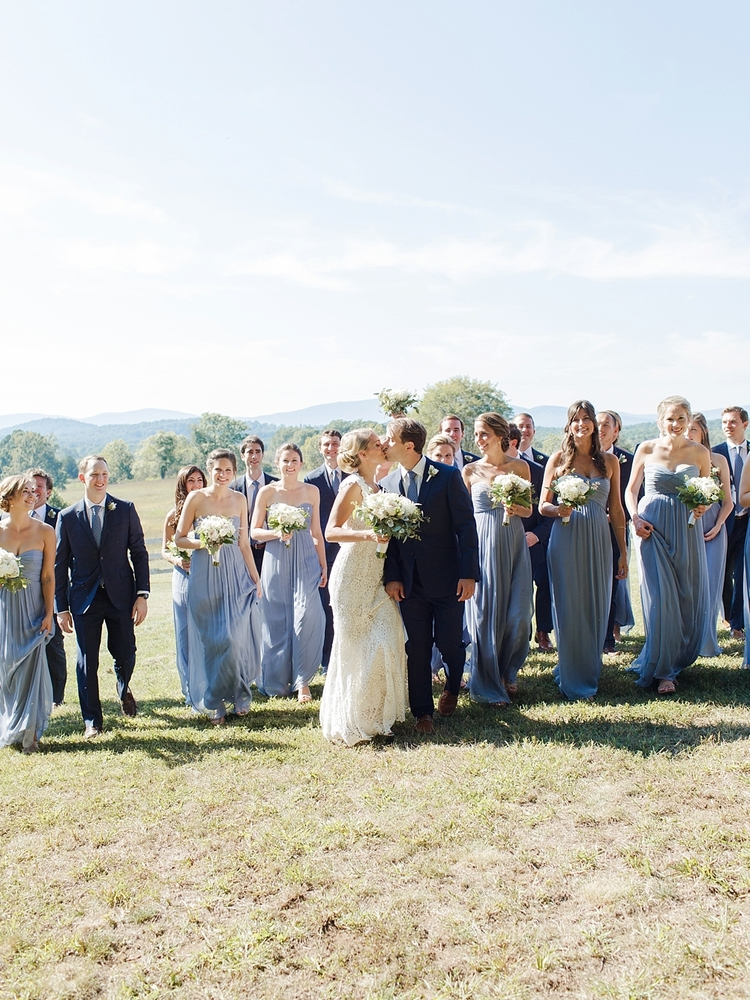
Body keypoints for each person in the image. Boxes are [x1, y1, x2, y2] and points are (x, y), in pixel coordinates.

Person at [382, 418, 479, 734]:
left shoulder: (448, 476)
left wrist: (468, 574)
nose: (385, 443)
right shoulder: (388, 484)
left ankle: (452, 685)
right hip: (410, 583)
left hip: (449, 579)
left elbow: (466, 527)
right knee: (417, 648)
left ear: (408, 445)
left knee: (451, 644)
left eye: (390, 439)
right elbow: (390, 539)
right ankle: (422, 712)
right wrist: (393, 576)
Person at [319, 429, 407, 744]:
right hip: (351, 576)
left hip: (377, 578)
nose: (383, 446)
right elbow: (331, 531)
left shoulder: (379, 488)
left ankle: (374, 715)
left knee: (387, 638)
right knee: (354, 650)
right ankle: (353, 720)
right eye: (376, 444)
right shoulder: (352, 485)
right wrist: (368, 535)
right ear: (362, 453)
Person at [55, 456, 150, 738]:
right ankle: (92, 721)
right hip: (84, 599)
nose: (101, 480)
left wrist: (142, 594)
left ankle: (123, 686)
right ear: (82, 478)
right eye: (95, 474)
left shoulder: (125, 509)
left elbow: (139, 552)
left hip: (121, 595)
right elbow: (60, 565)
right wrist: (61, 608)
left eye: (105, 474)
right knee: (87, 661)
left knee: (126, 652)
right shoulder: (67, 517)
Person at [541, 401, 627, 701]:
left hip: (600, 541)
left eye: (586, 418)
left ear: (594, 424)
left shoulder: (610, 462)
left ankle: (589, 668)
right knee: (569, 605)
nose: (581, 424)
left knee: (595, 605)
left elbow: (617, 510)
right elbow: (543, 505)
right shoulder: (557, 460)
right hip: (565, 539)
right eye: (576, 419)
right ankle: (572, 675)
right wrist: (558, 509)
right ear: (569, 425)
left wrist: (623, 552)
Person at [626, 396, 711, 694]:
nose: (675, 424)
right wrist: (635, 519)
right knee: (660, 598)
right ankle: (664, 672)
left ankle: (677, 658)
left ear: (689, 420)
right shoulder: (646, 449)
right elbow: (631, 490)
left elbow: (707, 492)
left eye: (681, 418)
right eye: (670, 418)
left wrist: (702, 507)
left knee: (685, 594)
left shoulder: (700, 452)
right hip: (652, 529)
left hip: (686, 529)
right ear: (660, 421)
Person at [175, 450, 261, 724]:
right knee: (213, 641)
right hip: (205, 575)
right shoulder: (196, 498)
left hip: (235, 575)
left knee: (232, 639)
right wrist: (205, 542)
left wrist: (256, 578)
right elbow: (179, 538)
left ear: (234, 472)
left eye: (228, 470)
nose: (222, 475)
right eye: (217, 470)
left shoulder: (240, 499)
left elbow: (244, 544)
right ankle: (215, 702)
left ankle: (239, 693)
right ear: (210, 470)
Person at [463, 414, 533, 706]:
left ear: (500, 435)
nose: (478, 440)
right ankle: (488, 680)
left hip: (513, 543)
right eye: (476, 435)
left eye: (484, 434)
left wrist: (516, 507)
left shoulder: (520, 467)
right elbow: (464, 517)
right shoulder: (469, 470)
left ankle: (507, 670)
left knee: (518, 616)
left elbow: (529, 511)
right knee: (485, 616)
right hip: (482, 544)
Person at [251, 443, 326, 703]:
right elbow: (254, 532)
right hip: (276, 560)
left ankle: (303, 681)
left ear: (301, 463)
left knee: (306, 616)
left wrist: (323, 564)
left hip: (306, 560)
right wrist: (276, 532)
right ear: (277, 463)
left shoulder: (312, 491)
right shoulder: (267, 492)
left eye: (294, 460)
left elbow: (316, 532)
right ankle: (279, 678)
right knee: (277, 620)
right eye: (285, 460)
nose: (290, 465)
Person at [0, 476, 55, 753]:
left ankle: (30, 736)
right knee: (6, 669)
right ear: (9, 497)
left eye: (34, 491)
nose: (33, 495)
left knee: (32, 669)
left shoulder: (45, 531)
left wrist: (49, 612)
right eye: (26, 491)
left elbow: (48, 576)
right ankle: (10, 724)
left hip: (33, 609)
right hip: (4, 610)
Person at [687, 414, 732, 656]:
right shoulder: (680, 461)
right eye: (686, 429)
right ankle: (687, 639)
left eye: (693, 429)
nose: (688, 433)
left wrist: (718, 525)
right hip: (687, 524)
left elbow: (729, 502)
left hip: (713, 526)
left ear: (703, 431)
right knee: (689, 583)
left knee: (712, 583)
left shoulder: (719, 460)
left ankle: (706, 641)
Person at [162, 465, 207, 702]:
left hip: (207, 574)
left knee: (207, 629)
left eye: (200, 480)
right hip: (183, 576)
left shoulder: (210, 512)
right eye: (191, 481)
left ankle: (211, 683)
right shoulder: (173, 516)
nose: (197, 485)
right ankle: (191, 688)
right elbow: (164, 550)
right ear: (182, 485)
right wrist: (178, 560)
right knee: (186, 632)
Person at [304, 429, 346, 674]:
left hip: (351, 548)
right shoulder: (311, 479)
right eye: (327, 444)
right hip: (324, 552)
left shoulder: (353, 475)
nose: (331, 448)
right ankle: (327, 660)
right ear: (320, 448)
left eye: (335, 443)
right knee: (327, 608)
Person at [509, 422, 553, 651]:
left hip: (534, 539)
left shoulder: (537, 470)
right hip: (506, 540)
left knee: (543, 582)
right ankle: (519, 634)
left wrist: (537, 535)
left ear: (512, 442)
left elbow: (549, 509)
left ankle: (543, 631)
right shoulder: (491, 470)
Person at [26, 468, 67, 705]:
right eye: (30, 487)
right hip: (24, 590)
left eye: (39, 487)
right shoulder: (12, 518)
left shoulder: (60, 517)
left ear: (48, 491)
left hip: (54, 589)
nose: (34, 491)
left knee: (54, 644)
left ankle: (56, 697)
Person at [596, 411, 635, 651]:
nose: (600, 429)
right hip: (587, 528)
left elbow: (634, 495)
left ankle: (609, 637)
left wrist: (619, 518)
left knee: (611, 584)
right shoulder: (580, 459)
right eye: (597, 424)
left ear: (616, 430)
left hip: (616, 528)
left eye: (606, 425)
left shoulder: (627, 460)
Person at [712, 407, 749, 639]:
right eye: (725, 422)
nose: (728, 426)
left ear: (745, 424)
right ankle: (727, 617)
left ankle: (737, 624)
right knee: (723, 572)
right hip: (723, 521)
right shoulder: (715, 453)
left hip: (747, 520)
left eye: (733, 421)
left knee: (742, 572)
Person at [231, 435, 279, 574]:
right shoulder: (233, 488)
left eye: (258, 452)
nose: (254, 456)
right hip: (242, 551)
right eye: (250, 452)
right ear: (242, 456)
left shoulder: (276, 485)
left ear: (263, 454)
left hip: (272, 548)